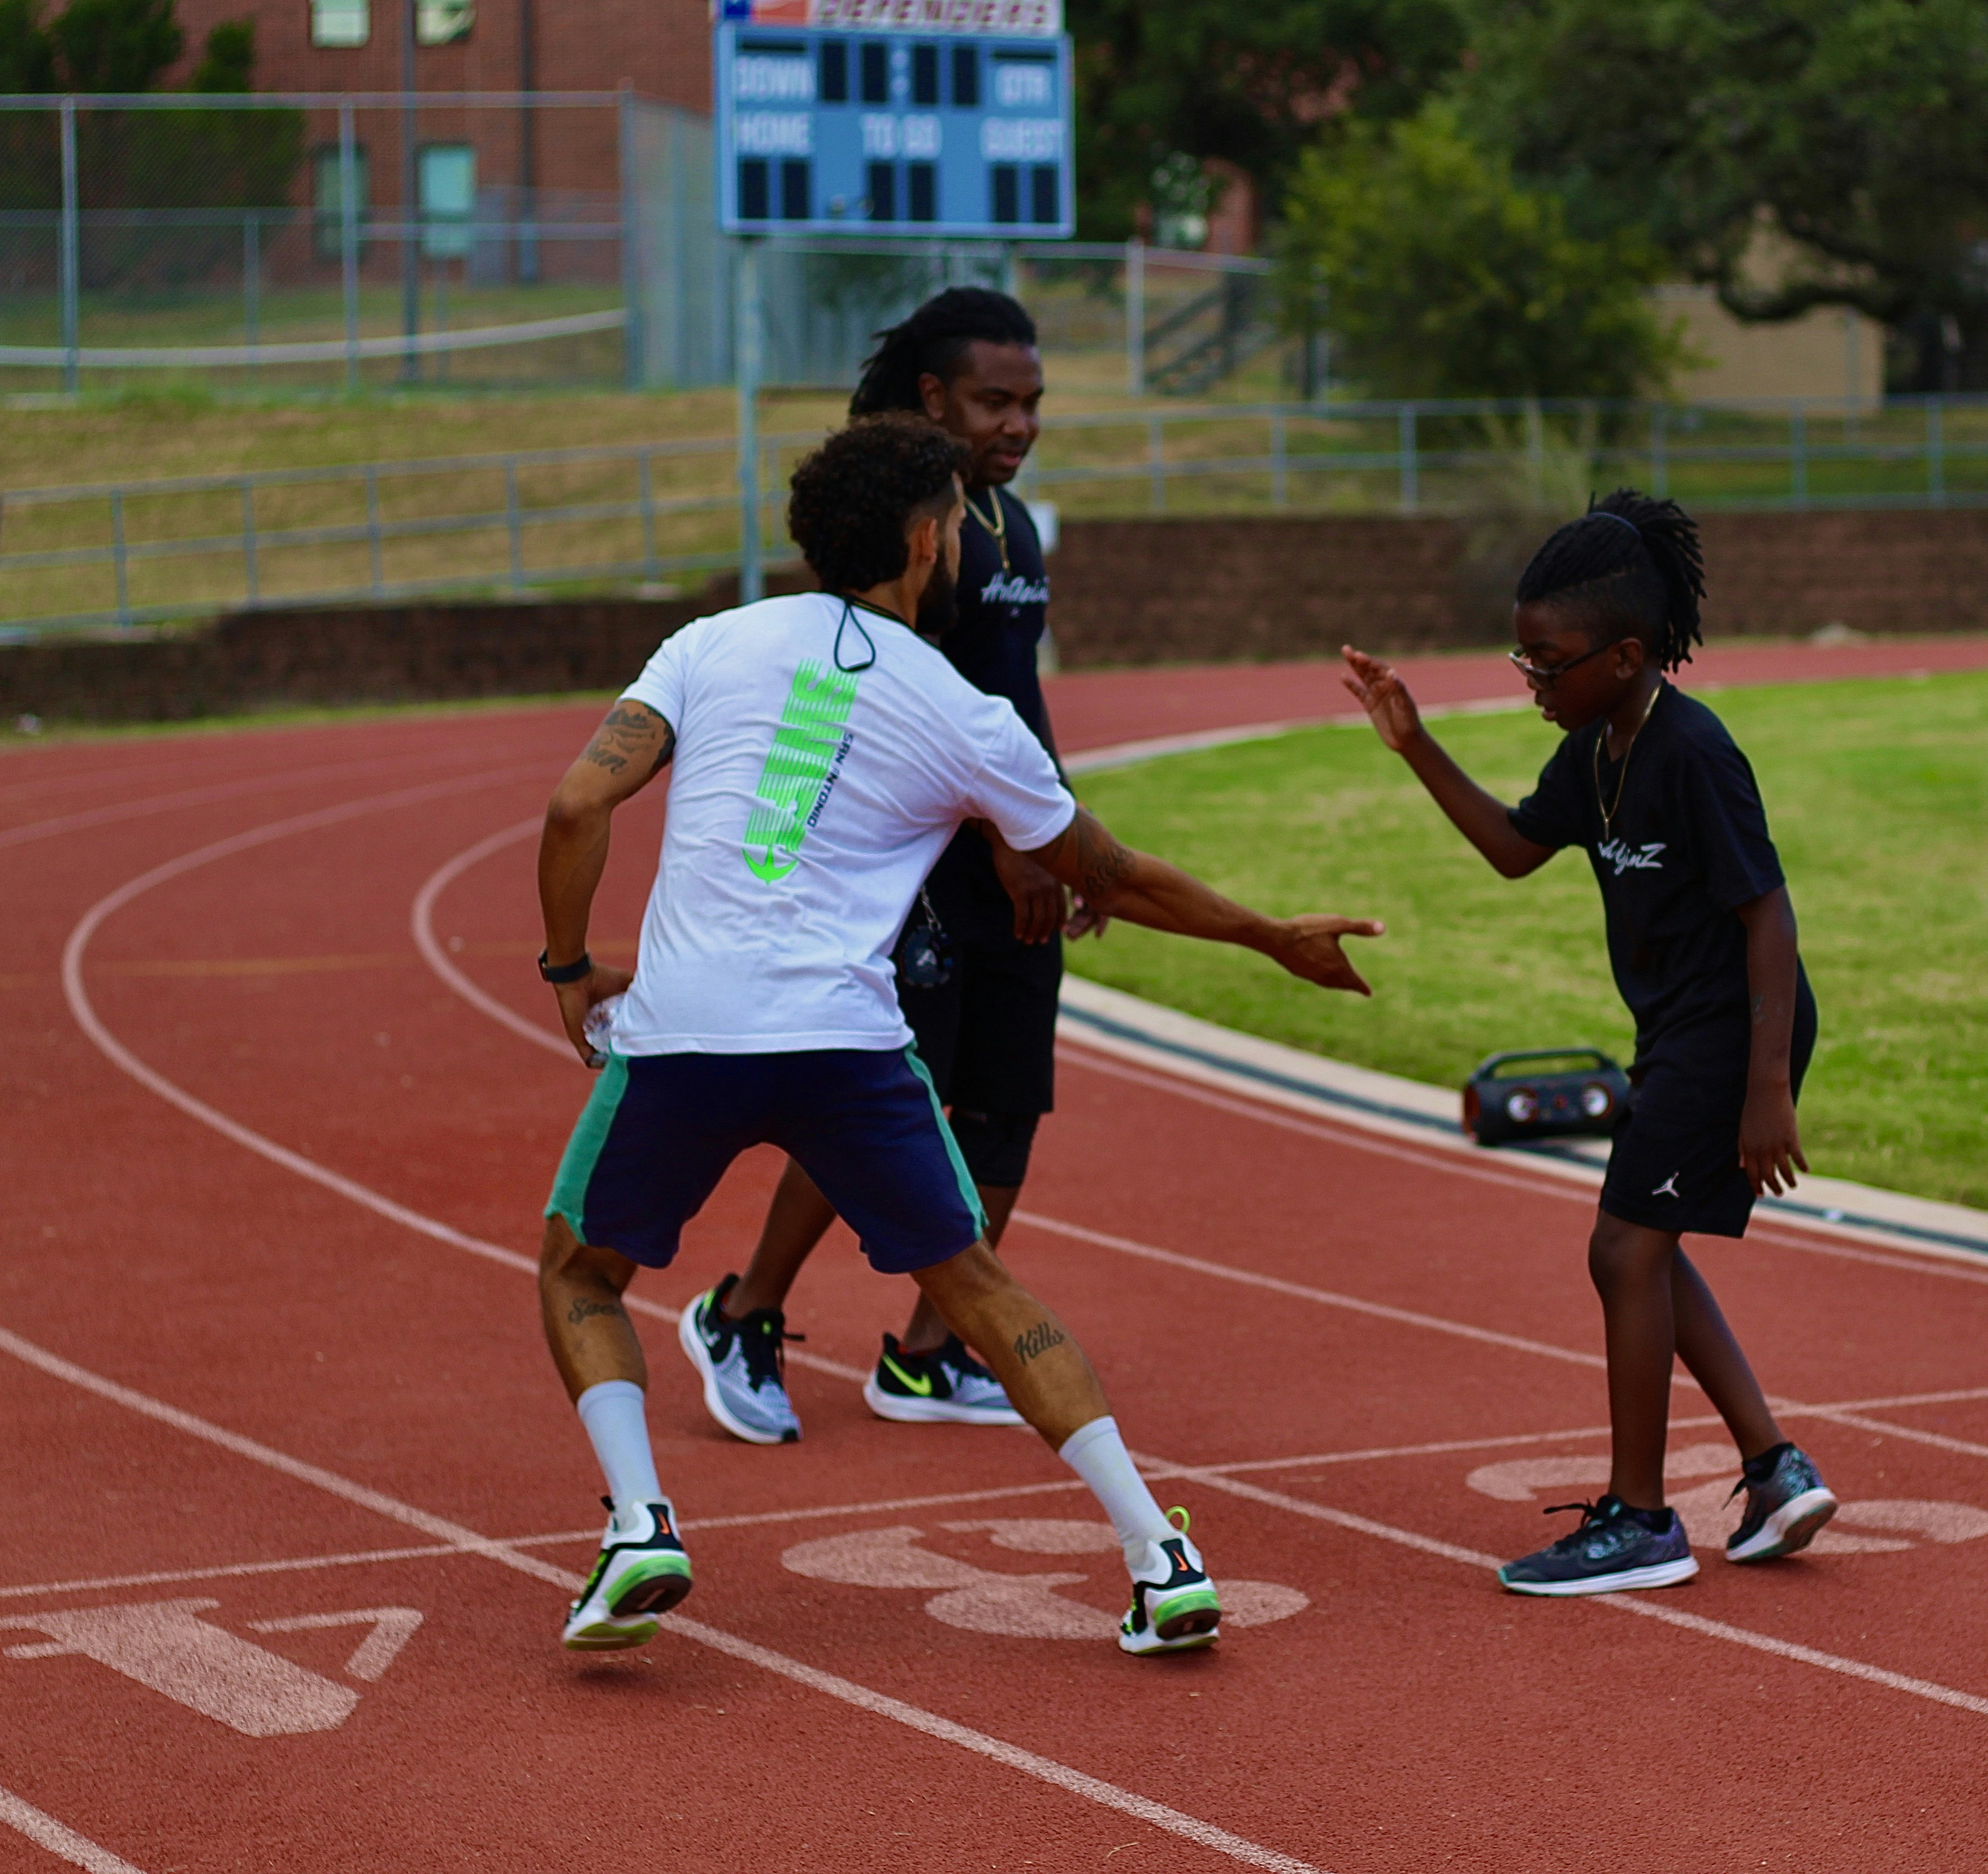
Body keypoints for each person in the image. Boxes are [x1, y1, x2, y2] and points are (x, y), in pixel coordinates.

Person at [535, 413, 1380, 1653]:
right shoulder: (971, 713)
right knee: (974, 1286)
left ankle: (642, 1526)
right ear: (926, 541)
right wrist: (1269, 938)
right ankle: (1160, 1555)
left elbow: (574, 804)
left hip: (686, 1034)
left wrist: (566, 969)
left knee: (578, 1273)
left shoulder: (705, 645)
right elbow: (1112, 872)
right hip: (845, 1045)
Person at [1338, 491, 1839, 1595]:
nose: (1531, 684)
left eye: (1546, 663)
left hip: (1732, 1029)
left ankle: (1642, 1518)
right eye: (1521, 661)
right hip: (1677, 1030)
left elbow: (1770, 914)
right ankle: (1771, 1464)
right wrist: (1415, 745)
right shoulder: (1596, 747)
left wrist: (1767, 1091)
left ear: (1624, 655)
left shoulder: (1693, 753)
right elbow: (1516, 850)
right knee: (1648, 1247)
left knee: (1621, 1251)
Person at [677, 287, 1071, 1446]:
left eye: (1034, 402)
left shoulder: (1014, 529)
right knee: (874, 1107)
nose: (1021, 423)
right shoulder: (893, 542)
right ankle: (746, 1312)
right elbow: (875, 709)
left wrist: (1059, 836)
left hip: (1014, 870)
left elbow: (1018, 705)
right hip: (918, 879)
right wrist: (1008, 846)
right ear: (933, 398)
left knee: (1007, 1108)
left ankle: (932, 1355)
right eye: (997, 402)